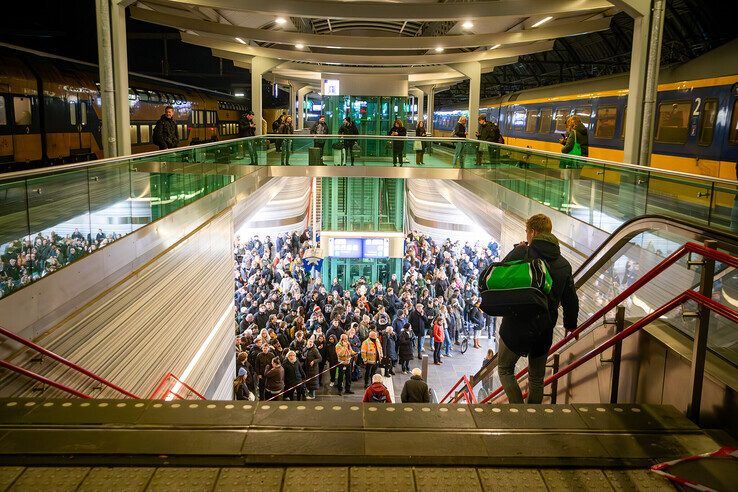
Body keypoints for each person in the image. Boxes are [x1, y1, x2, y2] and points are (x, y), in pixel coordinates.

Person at [497, 214, 579, 404]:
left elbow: (501, 275)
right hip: (544, 330)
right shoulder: (564, 264)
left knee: (505, 369)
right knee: (536, 379)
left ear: (533, 232)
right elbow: (570, 299)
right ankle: (533, 415)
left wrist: (516, 251)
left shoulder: (523, 253)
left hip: (516, 326)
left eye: (527, 231)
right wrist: (570, 324)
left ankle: (518, 410)